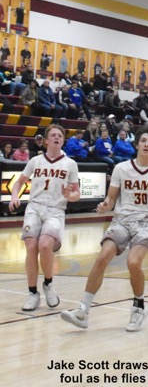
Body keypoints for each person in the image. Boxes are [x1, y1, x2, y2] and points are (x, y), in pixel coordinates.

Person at [60, 126, 148, 331]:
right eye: (143, 140)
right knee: (102, 257)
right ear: (136, 144)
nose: (146, 144)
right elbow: (111, 199)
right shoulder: (121, 168)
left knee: (133, 262)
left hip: (146, 222)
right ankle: (83, 310)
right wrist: (105, 205)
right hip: (122, 219)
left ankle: (139, 307)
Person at [9, 125, 80, 311]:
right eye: (53, 135)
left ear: (63, 140)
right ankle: (33, 293)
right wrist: (15, 196)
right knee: (31, 247)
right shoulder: (36, 161)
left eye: (60, 135)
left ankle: (48, 283)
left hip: (55, 209)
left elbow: (77, 193)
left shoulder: (70, 164)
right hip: (34, 207)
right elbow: (18, 183)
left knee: (45, 245)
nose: (57, 137)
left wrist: (69, 196)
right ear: (46, 141)